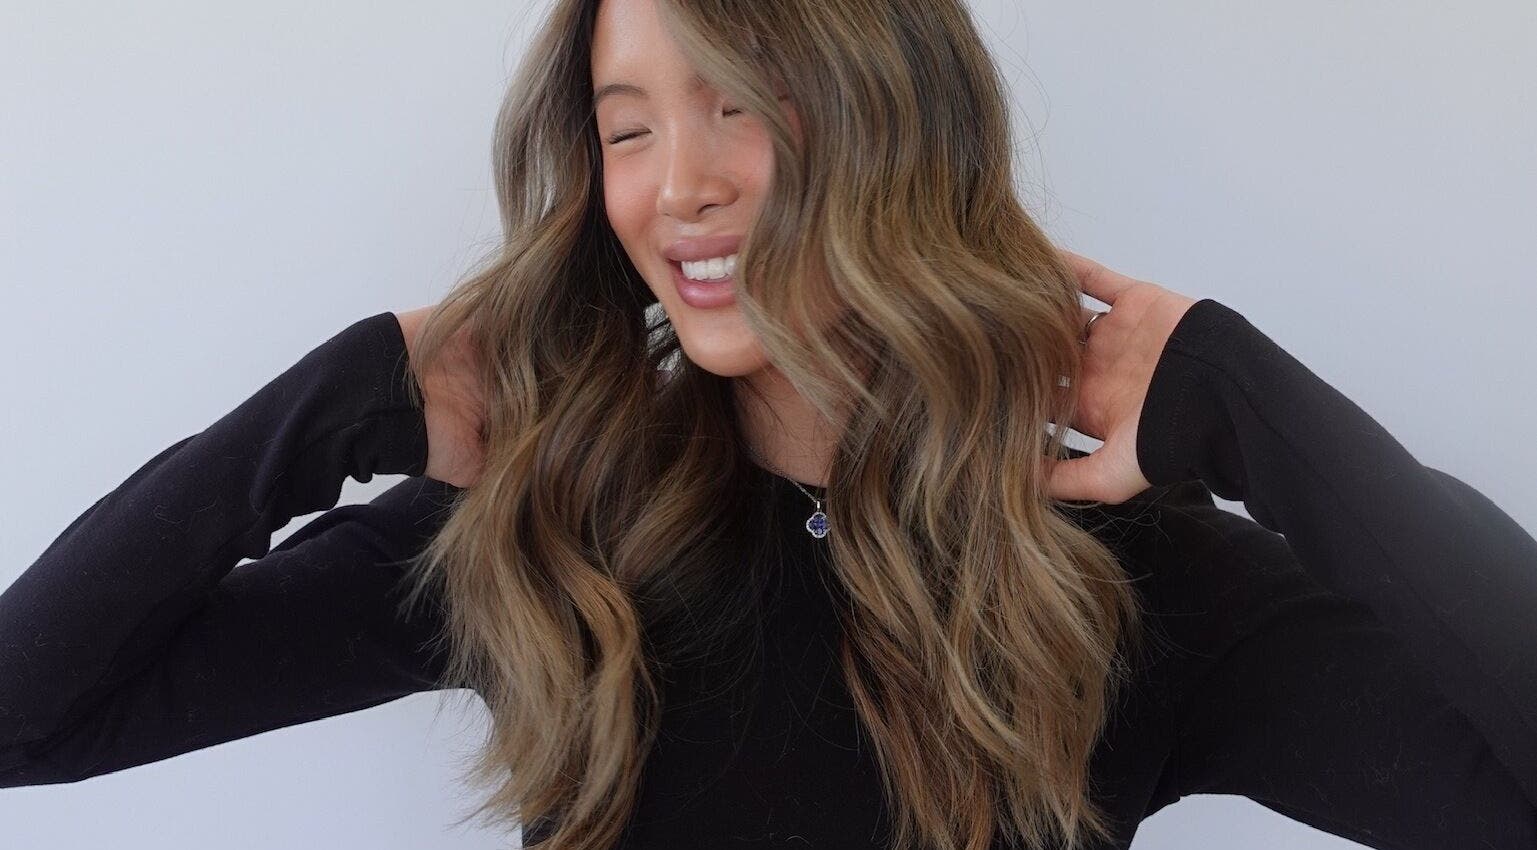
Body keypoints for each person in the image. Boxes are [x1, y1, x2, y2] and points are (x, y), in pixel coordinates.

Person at [4, 1, 1534, 848]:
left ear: (891, 116)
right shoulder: (551, 536)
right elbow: (27, 719)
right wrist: (331, 407)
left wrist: (1245, 409)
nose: (681, 182)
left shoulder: (1120, 577)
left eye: (741, 98)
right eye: (625, 127)